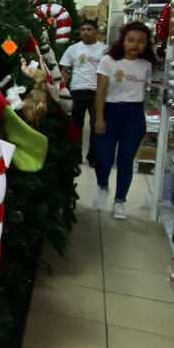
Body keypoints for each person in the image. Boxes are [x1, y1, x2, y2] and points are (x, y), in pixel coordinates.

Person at [93, 21, 155, 220]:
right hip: (110, 111)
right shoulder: (108, 61)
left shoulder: (146, 65)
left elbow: (147, 93)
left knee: (125, 161)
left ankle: (120, 201)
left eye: (141, 42)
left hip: (134, 115)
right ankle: (102, 186)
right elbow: (101, 91)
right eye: (131, 40)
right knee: (104, 158)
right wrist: (99, 118)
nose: (135, 45)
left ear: (146, 44)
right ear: (122, 40)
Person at [59, 19, 106, 167]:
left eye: (89, 29)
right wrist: (61, 89)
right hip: (77, 91)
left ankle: (93, 157)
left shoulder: (105, 50)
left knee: (95, 125)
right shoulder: (73, 49)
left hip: (96, 93)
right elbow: (65, 70)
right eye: (83, 29)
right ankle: (75, 156)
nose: (86, 32)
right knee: (75, 125)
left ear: (96, 31)